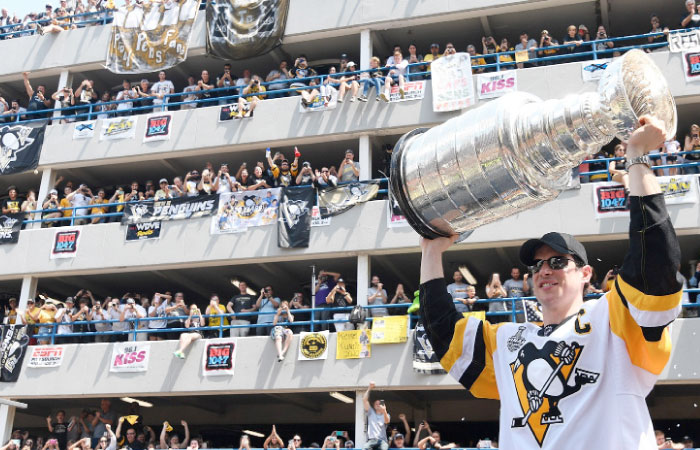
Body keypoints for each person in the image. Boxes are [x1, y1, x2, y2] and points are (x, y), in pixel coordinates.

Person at [418, 116, 682, 450]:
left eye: (558, 261)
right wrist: (431, 250)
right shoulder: (508, 341)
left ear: (586, 274)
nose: (545, 270)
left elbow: (656, 263)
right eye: (537, 265)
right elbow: (444, 335)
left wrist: (637, 159)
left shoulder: (613, 320)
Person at [362, 382, 390, 450]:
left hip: (382, 441)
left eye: (379, 403)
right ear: (374, 406)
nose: (378, 404)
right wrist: (369, 388)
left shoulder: (386, 414)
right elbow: (364, 400)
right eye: (376, 403)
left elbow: (387, 421)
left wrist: (384, 410)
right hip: (371, 440)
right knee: (364, 448)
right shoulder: (371, 412)